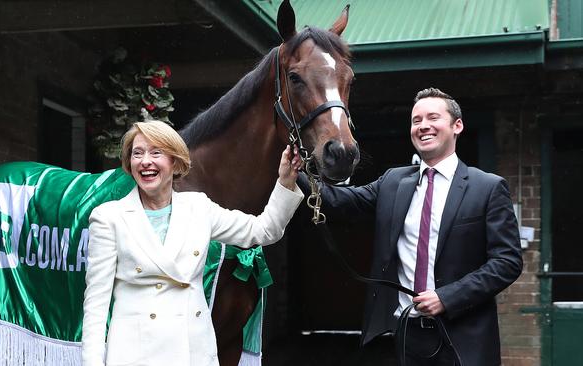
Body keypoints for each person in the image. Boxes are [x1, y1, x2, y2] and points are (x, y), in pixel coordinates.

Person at [304, 88, 523, 365]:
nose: (423, 126)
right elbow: (340, 201)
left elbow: (507, 262)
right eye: (416, 120)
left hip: (466, 338)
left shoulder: (488, 187)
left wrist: (447, 297)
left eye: (433, 117)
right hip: (408, 336)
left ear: (457, 126)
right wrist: (298, 174)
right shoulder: (394, 181)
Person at [81, 120, 304, 366]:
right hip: (135, 357)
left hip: (193, 354)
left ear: (175, 162)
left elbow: (264, 231)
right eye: (137, 153)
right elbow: (96, 305)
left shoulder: (199, 207)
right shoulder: (108, 217)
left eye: (156, 153)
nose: (145, 161)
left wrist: (285, 181)